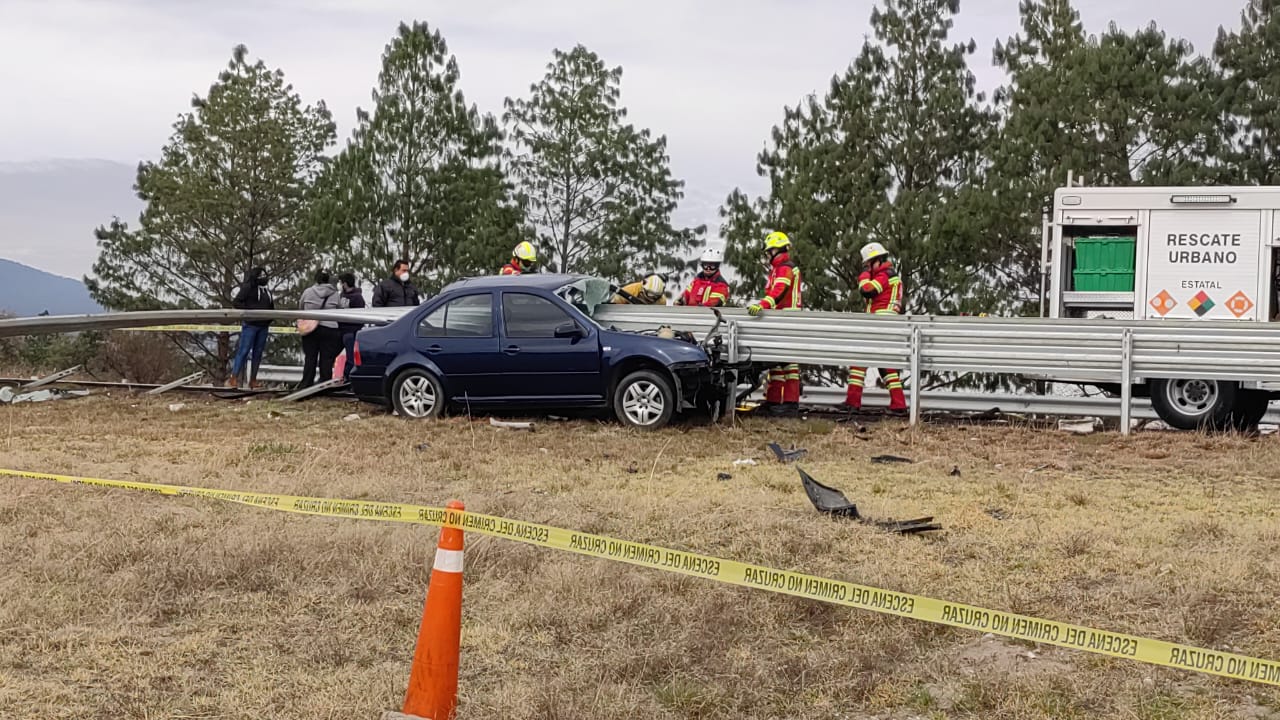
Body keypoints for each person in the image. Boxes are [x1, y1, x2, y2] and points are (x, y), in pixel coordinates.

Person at [842, 242, 907, 414]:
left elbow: (867, 290)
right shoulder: (891, 274)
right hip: (887, 324)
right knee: (887, 367)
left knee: (859, 363)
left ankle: (852, 403)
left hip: (880, 323)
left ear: (877, 260)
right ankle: (899, 405)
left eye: (868, 265)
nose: (867, 268)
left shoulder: (885, 274)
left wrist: (863, 276)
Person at [747, 231, 803, 416]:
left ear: (775, 250)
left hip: (788, 318)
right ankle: (773, 401)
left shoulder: (785, 267)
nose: (767, 255)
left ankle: (790, 403)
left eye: (768, 251)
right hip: (780, 318)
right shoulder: (778, 268)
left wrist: (762, 305)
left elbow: (779, 291)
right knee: (776, 363)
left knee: (788, 363)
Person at [228, 266, 273, 389]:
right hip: (250, 325)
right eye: (261, 275)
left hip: (263, 327)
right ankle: (234, 378)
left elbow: (271, 307)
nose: (264, 278)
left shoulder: (267, 291)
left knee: (258, 354)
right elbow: (237, 302)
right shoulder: (248, 287)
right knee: (243, 351)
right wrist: (249, 312)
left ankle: (253, 380)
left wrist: (269, 319)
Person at [299, 269, 343, 388]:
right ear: (328, 279)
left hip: (310, 329)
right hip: (330, 329)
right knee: (327, 359)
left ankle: (306, 384)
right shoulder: (334, 294)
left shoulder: (308, 292)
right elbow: (340, 309)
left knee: (310, 357)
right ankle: (325, 384)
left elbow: (301, 307)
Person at [337, 272, 365, 380]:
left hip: (350, 332)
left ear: (345, 283)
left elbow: (360, 317)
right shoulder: (341, 295)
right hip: (340, 331)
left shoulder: (357, 297)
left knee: (351, 358)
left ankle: (348, 378)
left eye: (341, 282)